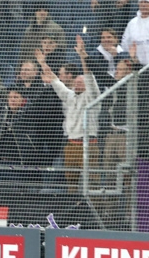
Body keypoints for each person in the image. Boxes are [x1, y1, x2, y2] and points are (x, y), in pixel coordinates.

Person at [37, 35, 99, 190]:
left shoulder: (92, 97)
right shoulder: (69, 95)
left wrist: (82, 56)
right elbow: (55, 80)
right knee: (71, 183)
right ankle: (73, 207)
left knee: (92, 182)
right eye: (76, 82)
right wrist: (43, 63)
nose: (78, 83)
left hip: (88, 145)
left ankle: (94, 209)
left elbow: (89, 78)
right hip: (70, 144)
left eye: (81, 82)